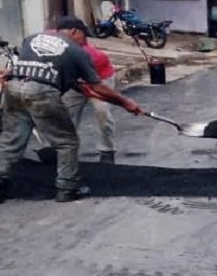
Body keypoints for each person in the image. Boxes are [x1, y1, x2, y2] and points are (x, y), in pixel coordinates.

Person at [0, 17, 142, 203]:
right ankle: (67, 188)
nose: (86, 42)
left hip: (14, 87)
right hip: (42, 92)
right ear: (75, 31)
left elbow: (56, 75)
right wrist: (126, 102)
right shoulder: (77, 51)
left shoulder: (32, 38)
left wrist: (107, 98)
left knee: (11, 140)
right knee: (67, 142)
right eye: (84, 36)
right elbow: (97, 86)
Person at [60, 40, 117, 164]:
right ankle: (65, 150)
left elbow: (95, 85)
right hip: (75, 81)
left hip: (100, 80)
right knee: (65, 115)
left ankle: (107, 150)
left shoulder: (94, 57)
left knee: (102, 112)